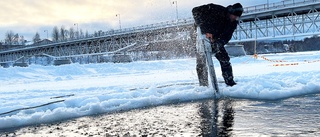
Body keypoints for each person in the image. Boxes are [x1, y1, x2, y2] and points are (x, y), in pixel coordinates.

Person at [192, 3, 243, 87]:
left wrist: (219, 43)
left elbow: (227, 37)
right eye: (234, 15)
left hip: (215, 39)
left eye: (237, 17)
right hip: (199, 35)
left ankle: (230, 83)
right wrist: (204, 30)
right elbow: (195, 10)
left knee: (225, 59)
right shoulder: (216, 9)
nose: (234, 18)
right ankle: (203, 85)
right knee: (202, 60)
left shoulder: (233, 23)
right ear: (230, 12)